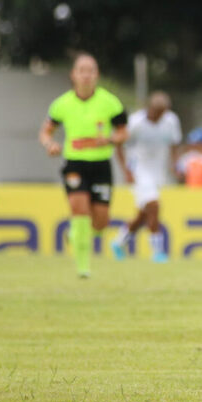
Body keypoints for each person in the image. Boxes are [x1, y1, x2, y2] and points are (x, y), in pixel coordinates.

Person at [38, 53, 128, 278]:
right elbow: (46, 131)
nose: (86, 75)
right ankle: (83, 268)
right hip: (75, 163)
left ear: (97, 75)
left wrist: (109, 139)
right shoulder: (62, 104)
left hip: (100, 165)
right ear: (73, 75)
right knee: (79, 209)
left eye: (91, 71)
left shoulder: (110, 102)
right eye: (82, 70)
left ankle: (75, 234)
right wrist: (50, 144)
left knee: (100, 222)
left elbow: (123, 132)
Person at [112, 91, 182, 263]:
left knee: (145, 213)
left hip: (157, 171)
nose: (159, 116)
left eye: (162, 112)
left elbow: (174, 143)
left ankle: (119, 242)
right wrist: (125, 171)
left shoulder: (171, 121)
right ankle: (157, 251)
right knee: (154, 205)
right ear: (149, 108)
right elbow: (119, 144)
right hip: (138, 170)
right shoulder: (136, 122)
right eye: (156, 112)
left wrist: (174, 164)